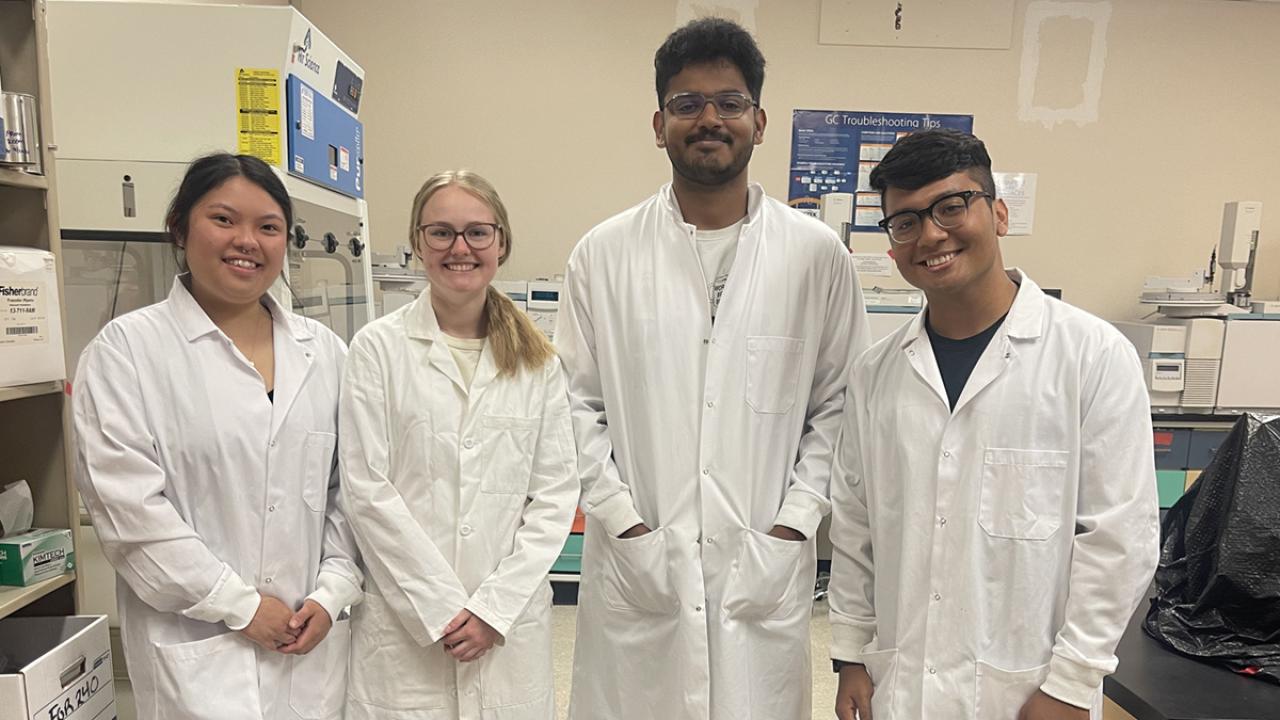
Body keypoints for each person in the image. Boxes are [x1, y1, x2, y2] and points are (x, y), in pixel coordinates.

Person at [556, 17, 869, 720]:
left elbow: (839, 408)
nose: (708, 119)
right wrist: (624, 523)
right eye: (687, 103)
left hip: (761, 565)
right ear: (659, 121)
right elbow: (572, 404)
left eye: (728, 103)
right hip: (641, 567)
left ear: (759, 122)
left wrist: (793, 523)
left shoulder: (816, 257)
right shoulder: (603, 255)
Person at [828, 129, 1160, 720]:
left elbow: (1119, 538)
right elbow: (856, 526)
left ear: (999, 213)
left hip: (1027, 692)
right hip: (901, 685)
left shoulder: (1091, 356)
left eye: (951, 207)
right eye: (904, 222)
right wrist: (852, 653)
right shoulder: (875, 373)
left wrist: (1072, 682)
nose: (930, 234)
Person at [72, 153, 362, 720]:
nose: (246, 241)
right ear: (180, 226)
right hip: (199, 650)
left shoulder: (324, 352)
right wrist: (241, 606)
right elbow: (130, 513)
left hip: (311, 645)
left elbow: (348, 490)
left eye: (268, 226)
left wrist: (332, 593)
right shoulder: (126, 352)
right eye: (224, 220)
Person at [339, 170, 578, 719]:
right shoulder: (377, 349)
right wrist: (441, 607)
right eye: (441, 232)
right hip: (406, 626)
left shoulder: (539, 361)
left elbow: (556, 496)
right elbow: (366, 490)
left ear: (501, 243)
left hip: (508, 625)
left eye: (477, 232)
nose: (460, 248)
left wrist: (494, 610)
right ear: (419, 243)